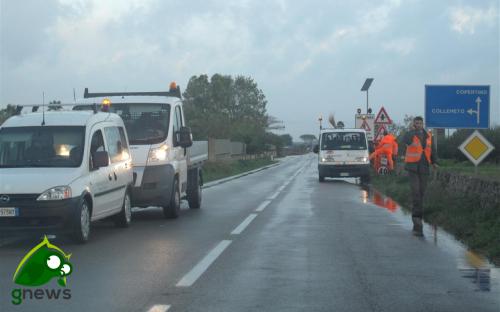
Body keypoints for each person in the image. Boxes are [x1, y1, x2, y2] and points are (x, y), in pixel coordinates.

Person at [402, 116, 438, 236]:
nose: (418, 124)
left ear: (423, 124)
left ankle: (419, 214)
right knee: (416, 191)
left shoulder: (428, 136)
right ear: (414, 124)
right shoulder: (411, 134)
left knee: (422, 192)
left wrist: (434, 162)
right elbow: (405, 140)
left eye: (420, 123)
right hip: (412, 167)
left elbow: (432, 150)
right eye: (416, 123)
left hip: (424, 167)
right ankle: (416, 218)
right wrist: (411, 130)